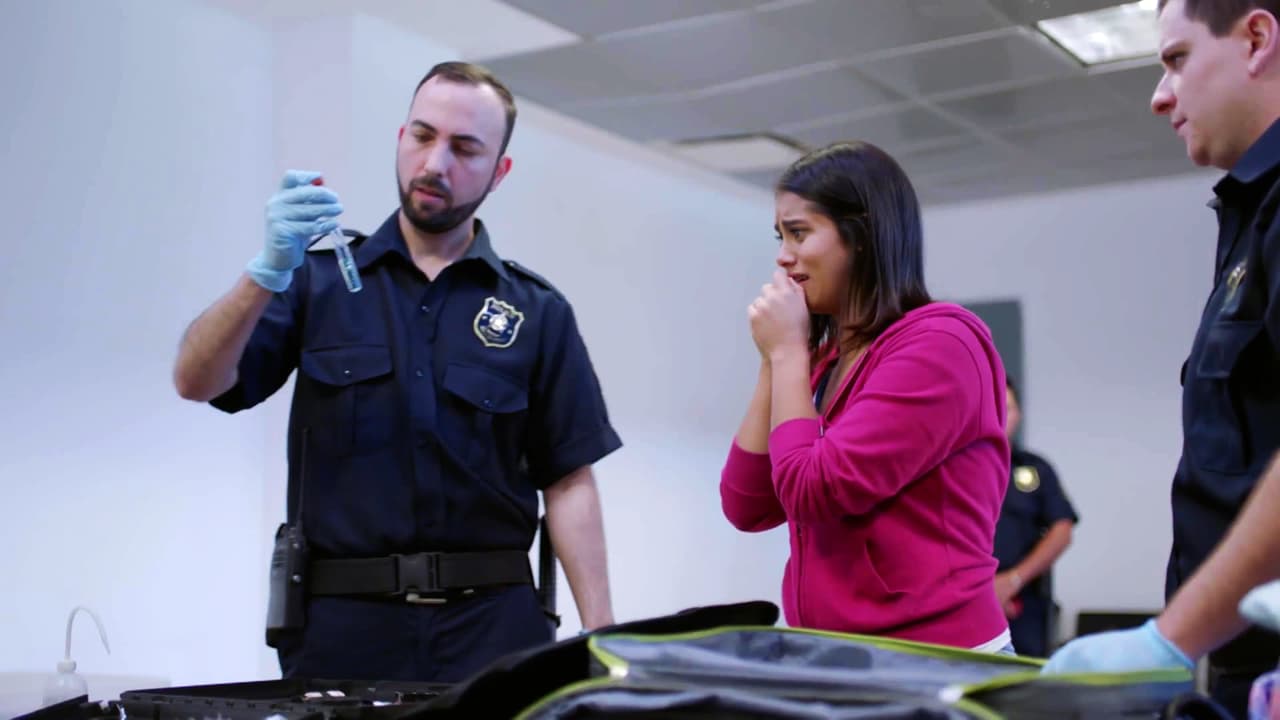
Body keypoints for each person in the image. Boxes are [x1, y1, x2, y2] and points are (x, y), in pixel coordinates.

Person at [172, 61, 621, 682]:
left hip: (494, 629)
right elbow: (196, 381)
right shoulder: (318, 281)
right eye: (423, 136)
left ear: (500, 172)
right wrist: (264, 274)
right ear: (400, 136)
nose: (436, 163)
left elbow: (569, 481)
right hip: (342, 629)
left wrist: (602, 638)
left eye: (465, 148)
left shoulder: (535, 310)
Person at [1042, 0, 1280, 712]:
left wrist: (1168, 639)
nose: (1159, 96)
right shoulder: (1254, 214)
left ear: (1257, 39)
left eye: (1176, 59)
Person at [718, 141, 1012, 652]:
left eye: (799, 232)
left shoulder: (941, 343)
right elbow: (746, 504)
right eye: (780, 235)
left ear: (860, 236)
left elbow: (816, 492)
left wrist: (788, 352)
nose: (783, 256)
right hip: (840, 654)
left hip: (935, 658)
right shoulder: (830, 360)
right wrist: (776, 360)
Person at [992, 377, 1078, 658]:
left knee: (1025, 684)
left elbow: (1062, 529)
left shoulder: (1035, 469)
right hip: (962, 600)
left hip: (1022, 604)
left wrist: (1011, 581)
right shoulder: (953, 467)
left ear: (1019, 414)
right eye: (994, 406)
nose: (1003, 415)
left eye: (1009, 407)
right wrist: (983, 592)